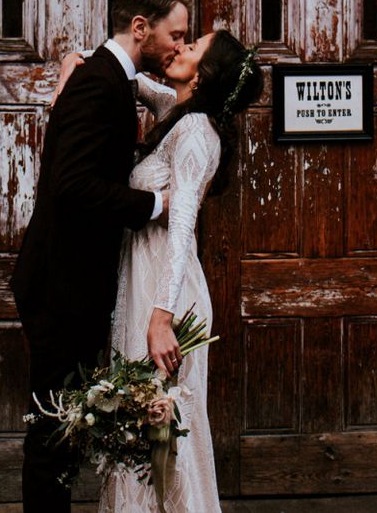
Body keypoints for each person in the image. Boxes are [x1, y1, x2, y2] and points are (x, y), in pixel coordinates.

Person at [56, 29, 263, 512]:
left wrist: (162, 317)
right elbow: (119, 72)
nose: (180, 48)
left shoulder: (195, 133)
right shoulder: (176, 109)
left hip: (166, 297)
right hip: (144, 282)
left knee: (165, 434)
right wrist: (72, 58)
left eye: (192, 48)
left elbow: (183, 227)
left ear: (204, 72)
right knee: (139, 432)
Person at [11, 0, 189, 512]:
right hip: (61, 283)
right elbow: (72, 185)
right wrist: (157, 205)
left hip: (71, 281)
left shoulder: (110, 76)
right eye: (175, 35)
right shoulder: (100, 84)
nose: (180, 46)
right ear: (141, 29)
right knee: (52, 428)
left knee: (62, 422)